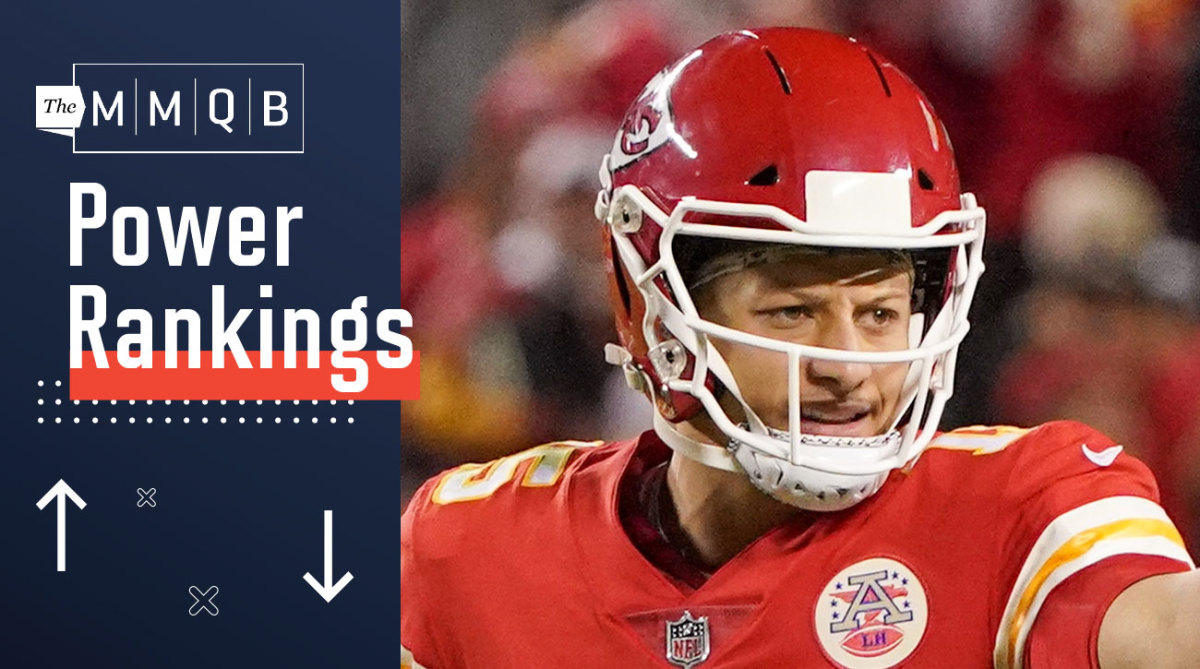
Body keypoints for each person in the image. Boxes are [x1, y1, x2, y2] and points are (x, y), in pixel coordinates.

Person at [401, 28, 1195, 668]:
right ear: (655, 307)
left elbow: (1163, 632)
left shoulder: (1022, 509)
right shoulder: (472, 546)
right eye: (792, 312)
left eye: (881, 313)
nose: (848, 364)